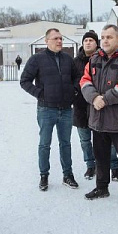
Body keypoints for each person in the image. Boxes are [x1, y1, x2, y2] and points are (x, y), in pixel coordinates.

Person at [80, 24, 118, 210]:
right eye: (103, 37)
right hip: (98, 121)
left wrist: (103, 100)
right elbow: (84, 80)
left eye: (109, 37)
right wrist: (93, 98)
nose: (105, 40)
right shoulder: (94, 59)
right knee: (100, 157)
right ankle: (101, 187)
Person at [20, 28, 80, 191]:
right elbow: (24, 81)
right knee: (45, 144)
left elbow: (77, 77)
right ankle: (44, 175)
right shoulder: (37, 59)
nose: (59, 41)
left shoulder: (68, 59)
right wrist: (41, 94)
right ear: (46, 41)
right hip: (46, 110)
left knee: (66, 143)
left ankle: (68, 175)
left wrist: (74, 90)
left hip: (66, 109)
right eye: (55, 39)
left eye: (61, 38)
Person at [72, 31, 118, 180]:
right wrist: (74, 93)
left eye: (91, 40)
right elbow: (70, 81)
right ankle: (90, 166)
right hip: (80, 107)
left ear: (96, 43)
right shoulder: (75, 62)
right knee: (85, 140)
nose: (88, 43)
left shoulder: (103, 59)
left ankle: (114, 166)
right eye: (85, 40)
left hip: (100, 106)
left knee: (107, 140)